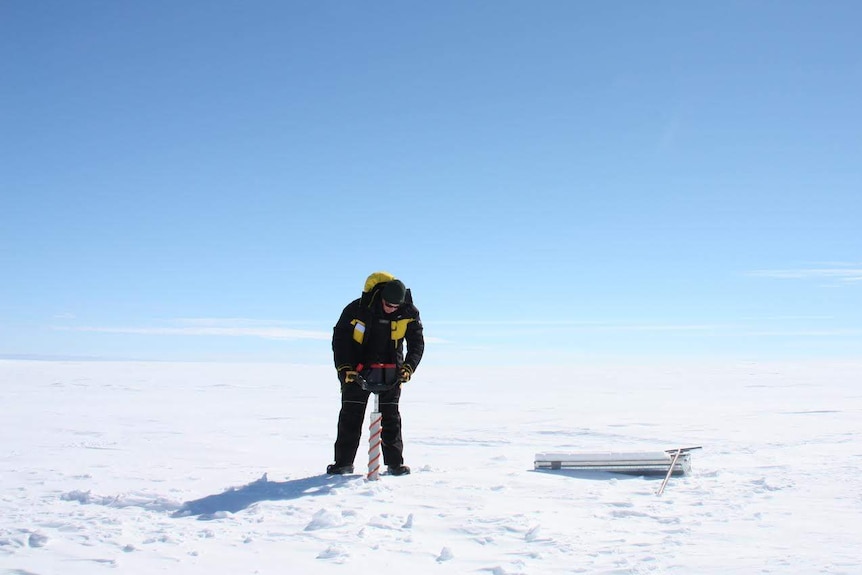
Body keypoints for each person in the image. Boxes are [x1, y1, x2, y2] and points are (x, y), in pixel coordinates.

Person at [328, 272, 424, 476]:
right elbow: (340, 340)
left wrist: (408, 367)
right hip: (357, 371)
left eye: (395, 306)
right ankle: (343, 463)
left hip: (391, 372)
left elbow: (417, 344)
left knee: (391, 419)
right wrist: (345, 368)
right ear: (381, 297)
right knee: (350, 417)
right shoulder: (357, 309)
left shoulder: (409, 312)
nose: (391, 309)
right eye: (388, 305)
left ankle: (395, 464)